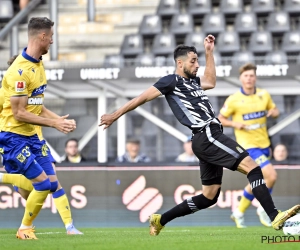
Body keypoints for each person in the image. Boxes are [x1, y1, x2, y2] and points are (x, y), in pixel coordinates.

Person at [99, 35, 300, 236]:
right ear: (180, 63)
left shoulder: (194, 82)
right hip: (207, 134)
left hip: (205, 139)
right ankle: (274, 216)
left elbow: (211, 81)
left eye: (198, 61)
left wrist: (209, 52)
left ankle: (161, 219)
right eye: (193, 61)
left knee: (209, 196)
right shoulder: (171, 81)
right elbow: (140, 99)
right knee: (254, 169)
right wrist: (114, 116)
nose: (197, 65)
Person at [0, 17, 76, 240]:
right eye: (51, 37)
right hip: (13, 136)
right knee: (41, 185)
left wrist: (57, 119)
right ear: (42, 36)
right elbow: (19, 113)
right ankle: (24, 229)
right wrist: (55, 124)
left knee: (49, 184)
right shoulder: (19, 72)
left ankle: (67, 227)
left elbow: (35, 105)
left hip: (32, 136)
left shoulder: (38, 64)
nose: (52, 41)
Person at [218, 63, 279, 228]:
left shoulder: (264, 95)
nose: (249, 78)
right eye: (246, 76)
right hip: (248, 146)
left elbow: (275, 110)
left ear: (255, 78)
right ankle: (263, 209)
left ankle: (238, 212)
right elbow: (220, 119)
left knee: (259, 180)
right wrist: (234, 124)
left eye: (252, 75)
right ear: (241, 78)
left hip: (264, 144)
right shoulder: (234, 100)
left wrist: (274, 112)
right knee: (271, 176)